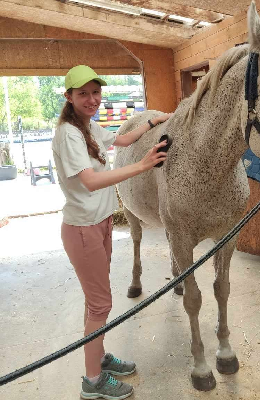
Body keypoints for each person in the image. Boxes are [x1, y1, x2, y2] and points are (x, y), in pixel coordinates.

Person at [52, 65, 172, 400]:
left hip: (101, 223)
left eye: (96, 92)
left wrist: (153, 121)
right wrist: (142, 165)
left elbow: (123, 139)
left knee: (96, 302)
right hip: (83, 229)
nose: (92, 99)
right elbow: (90, 181)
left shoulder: (87, 126)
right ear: (69, 97)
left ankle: (99, 356)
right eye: (83, 94)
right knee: (101, 303)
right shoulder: (69, 134)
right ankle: (92, 381)